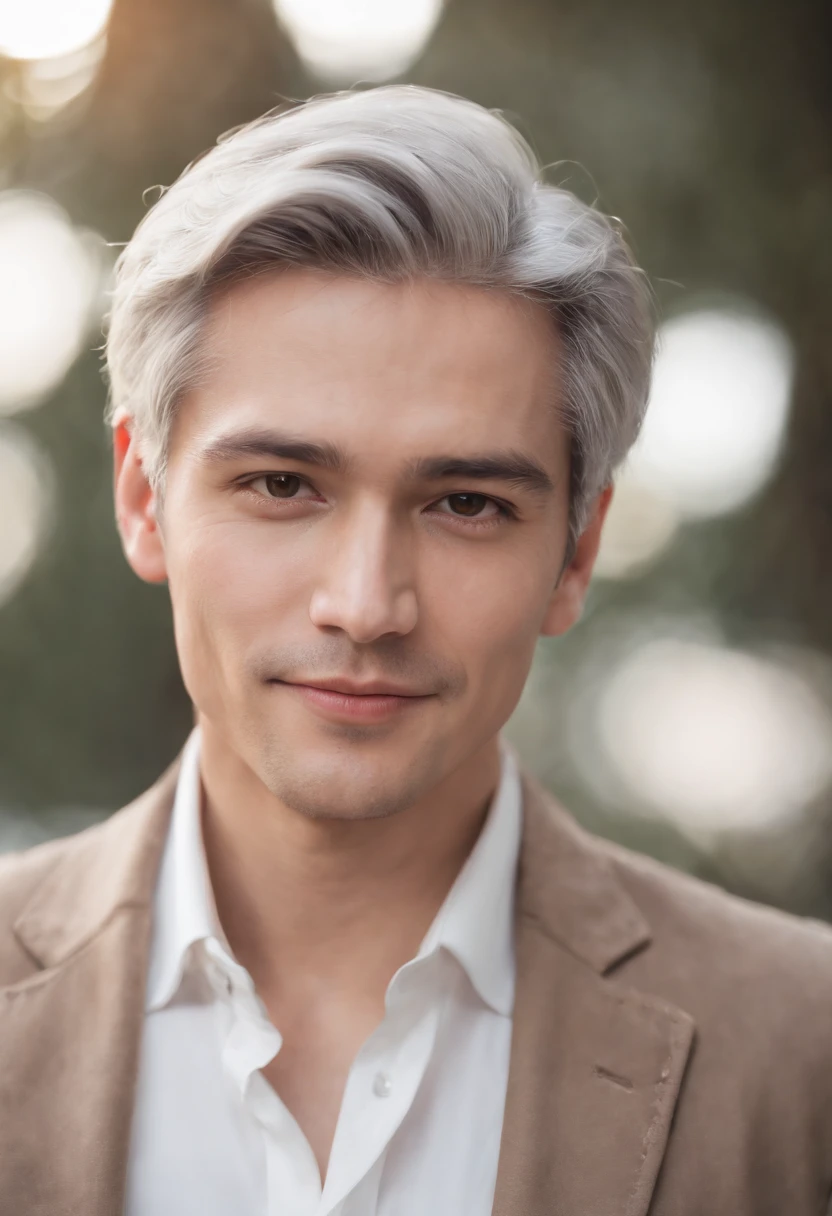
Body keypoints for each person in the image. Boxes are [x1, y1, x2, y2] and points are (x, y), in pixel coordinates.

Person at [0, 84, 830, 1216]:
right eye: (283, 485)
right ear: (143, 499)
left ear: (577, 549)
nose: (365, 604)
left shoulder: (800, 1053)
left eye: (466, 505)